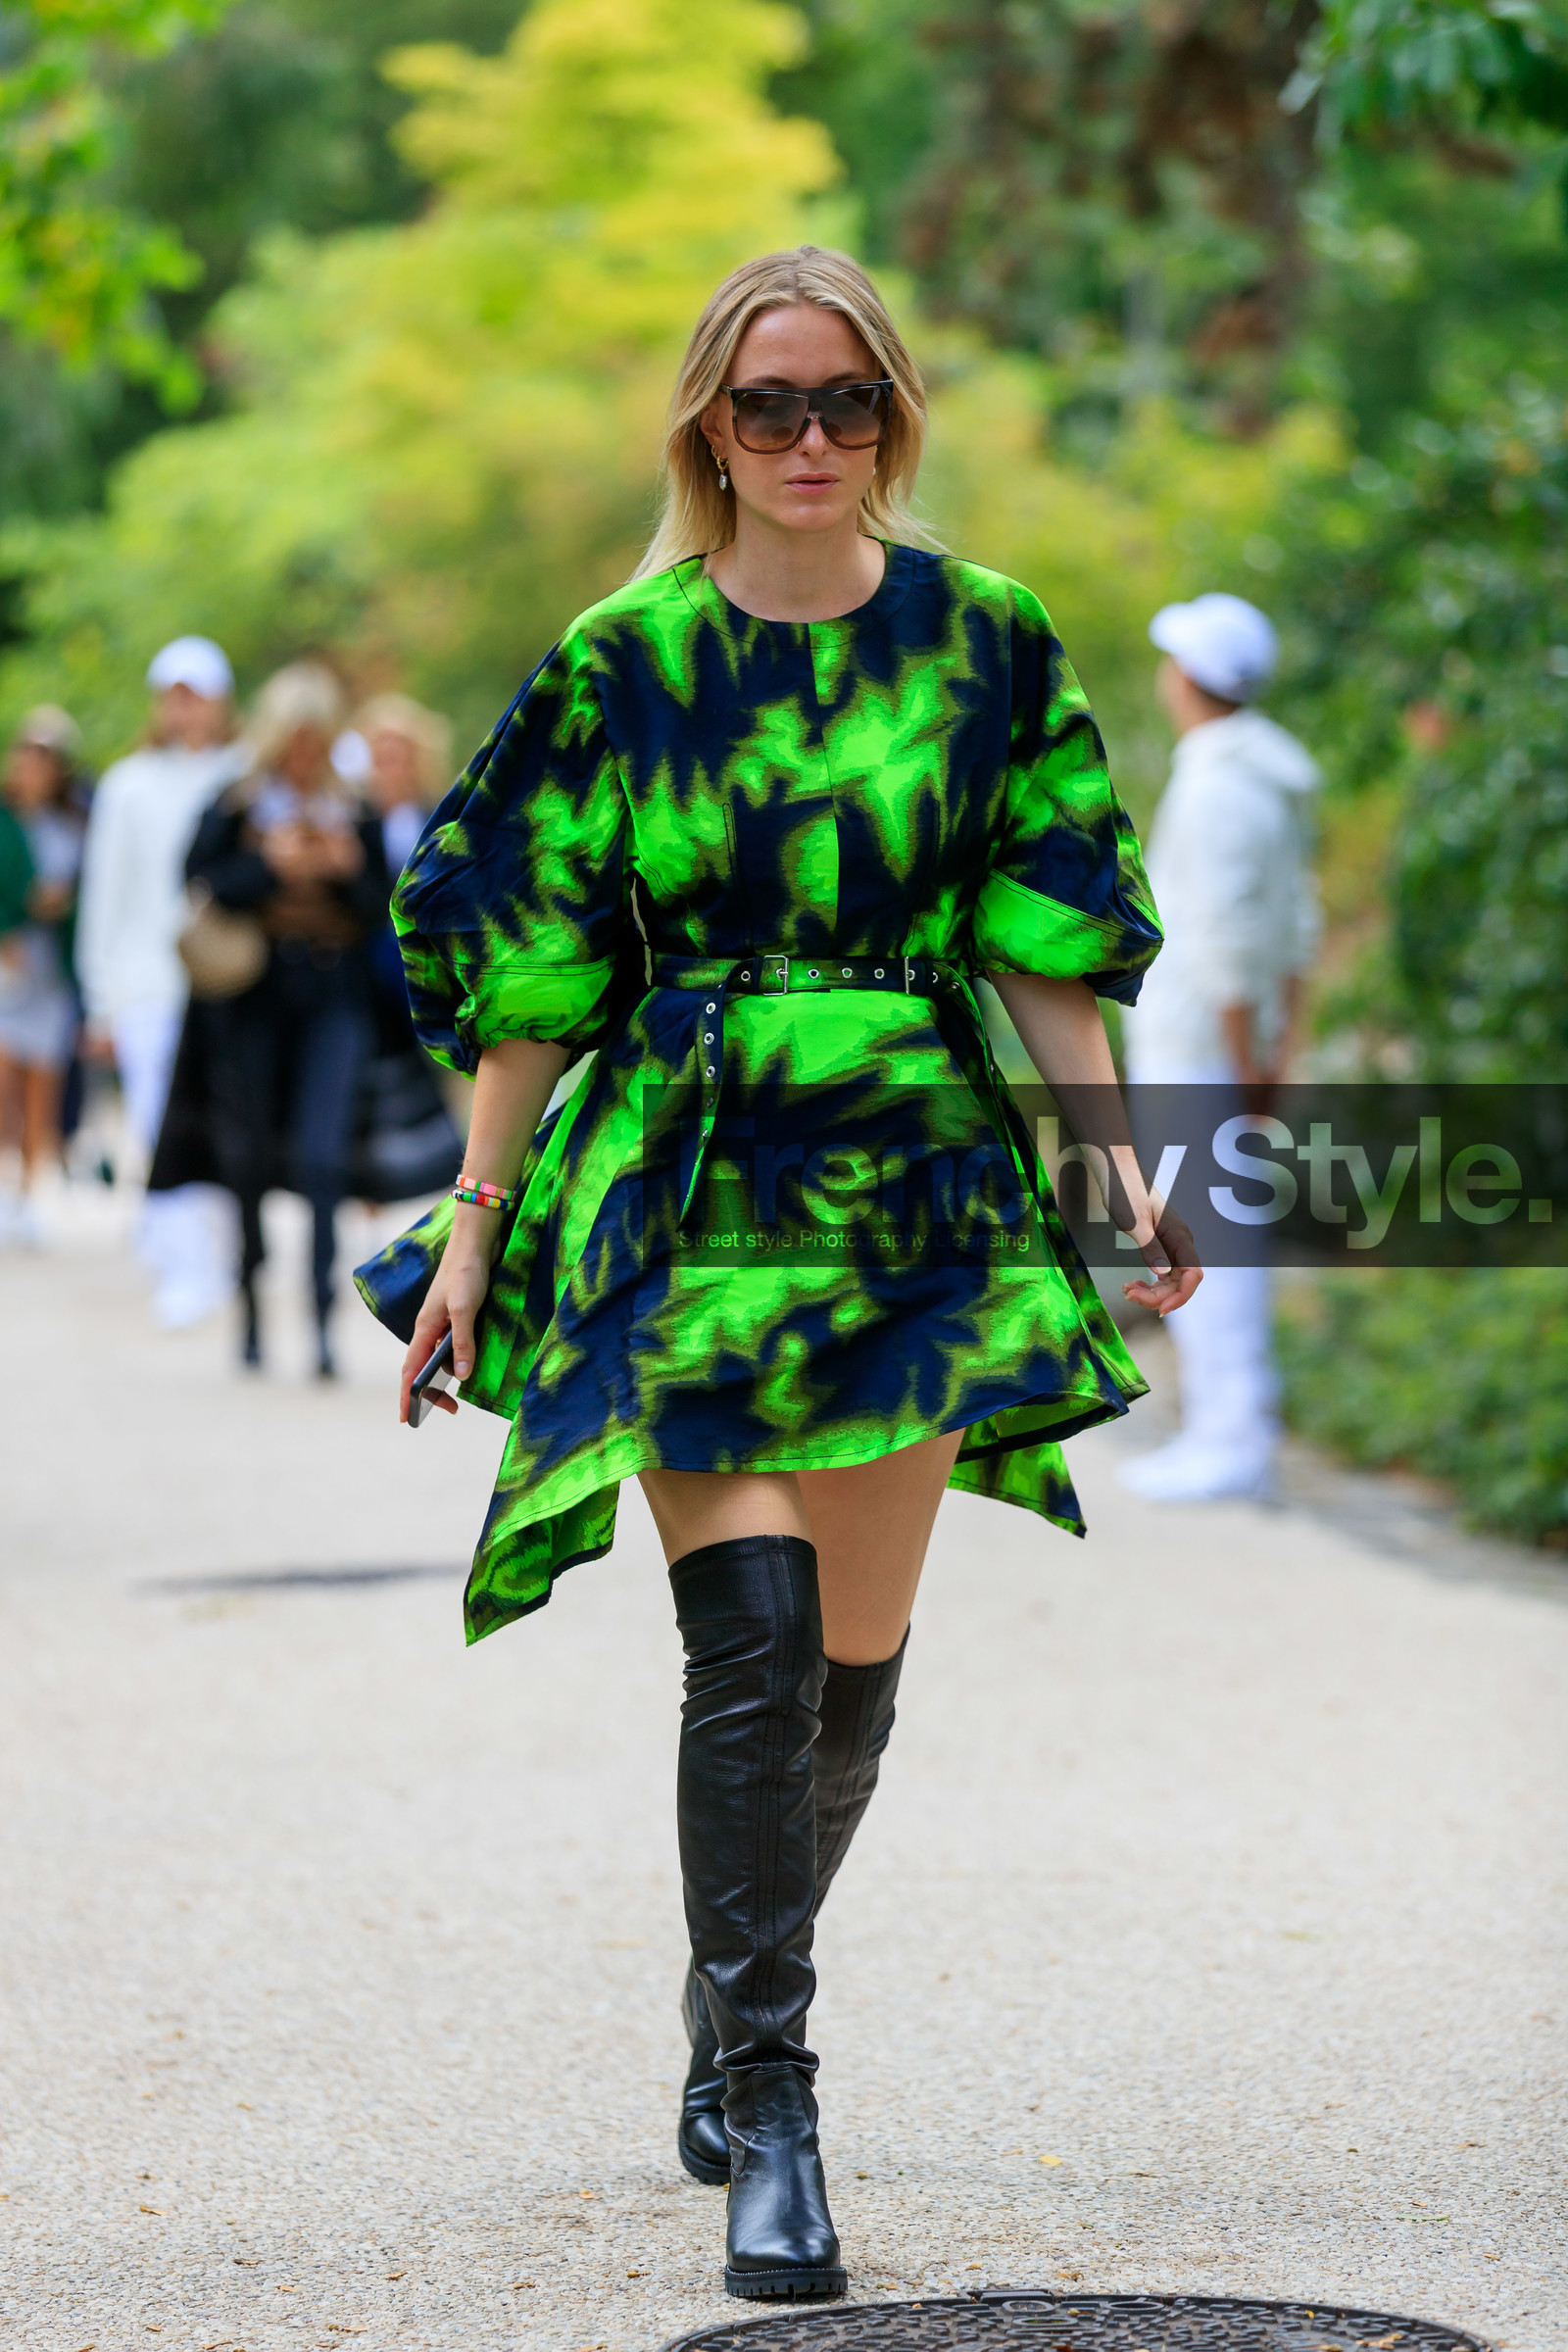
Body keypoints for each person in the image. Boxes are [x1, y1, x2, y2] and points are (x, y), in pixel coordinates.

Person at [356, 246, 1200, 2302]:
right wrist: (475, 1229)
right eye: (767, 405)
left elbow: (1045, 942)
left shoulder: (983, 641)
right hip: (681, 1163)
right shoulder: (619, 657)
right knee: (742, 1643)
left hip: (904, 1172)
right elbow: (534, 973)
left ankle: (724, 1997)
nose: (807, 440)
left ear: (892, 420)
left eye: (844, 404)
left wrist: (1112, 1179)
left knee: (842, 1678)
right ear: (704, 428)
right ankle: (778, 2106)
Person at [1117, 592, 1320, 1503]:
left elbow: (1233, 938)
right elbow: (1295, 928)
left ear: (1191, 680)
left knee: (1206, 1238)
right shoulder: (1268, 776)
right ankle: (1229, 1426)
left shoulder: (1217, 782)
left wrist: (1247, 1061)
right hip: (1227, 1046)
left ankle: (1229, 1436)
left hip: (1202, 1047)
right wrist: (1274, 1049)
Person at [176, 662, 390, 1377]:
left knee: (323, 1157)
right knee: (247, 1157)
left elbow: (382, 901)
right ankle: (250, 1303)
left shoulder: (354, 805)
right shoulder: (239, 801)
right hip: (252, 998)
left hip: (333, 994)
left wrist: (340, 865)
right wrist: (271, 866)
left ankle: (324, 1320)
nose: (304, 754)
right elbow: (201, 879)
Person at [75, 636, 246, 1322]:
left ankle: (228, 1253)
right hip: (146, 986)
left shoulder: (241, 776)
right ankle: (186, 1267)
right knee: (158, 1126)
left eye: (196, 695)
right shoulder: (128, 783)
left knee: (229, 1123)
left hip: (226, 985)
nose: (185, 709)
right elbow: (105, 895)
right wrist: (99, 1001)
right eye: (174, 695)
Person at [0, 708, 88, 1241]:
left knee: (41, 1086)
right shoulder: (5, 822)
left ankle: (30, 1191)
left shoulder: (72, 826)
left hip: (51, 969)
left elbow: (81, 892)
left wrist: (60, 905)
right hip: (9, 966)